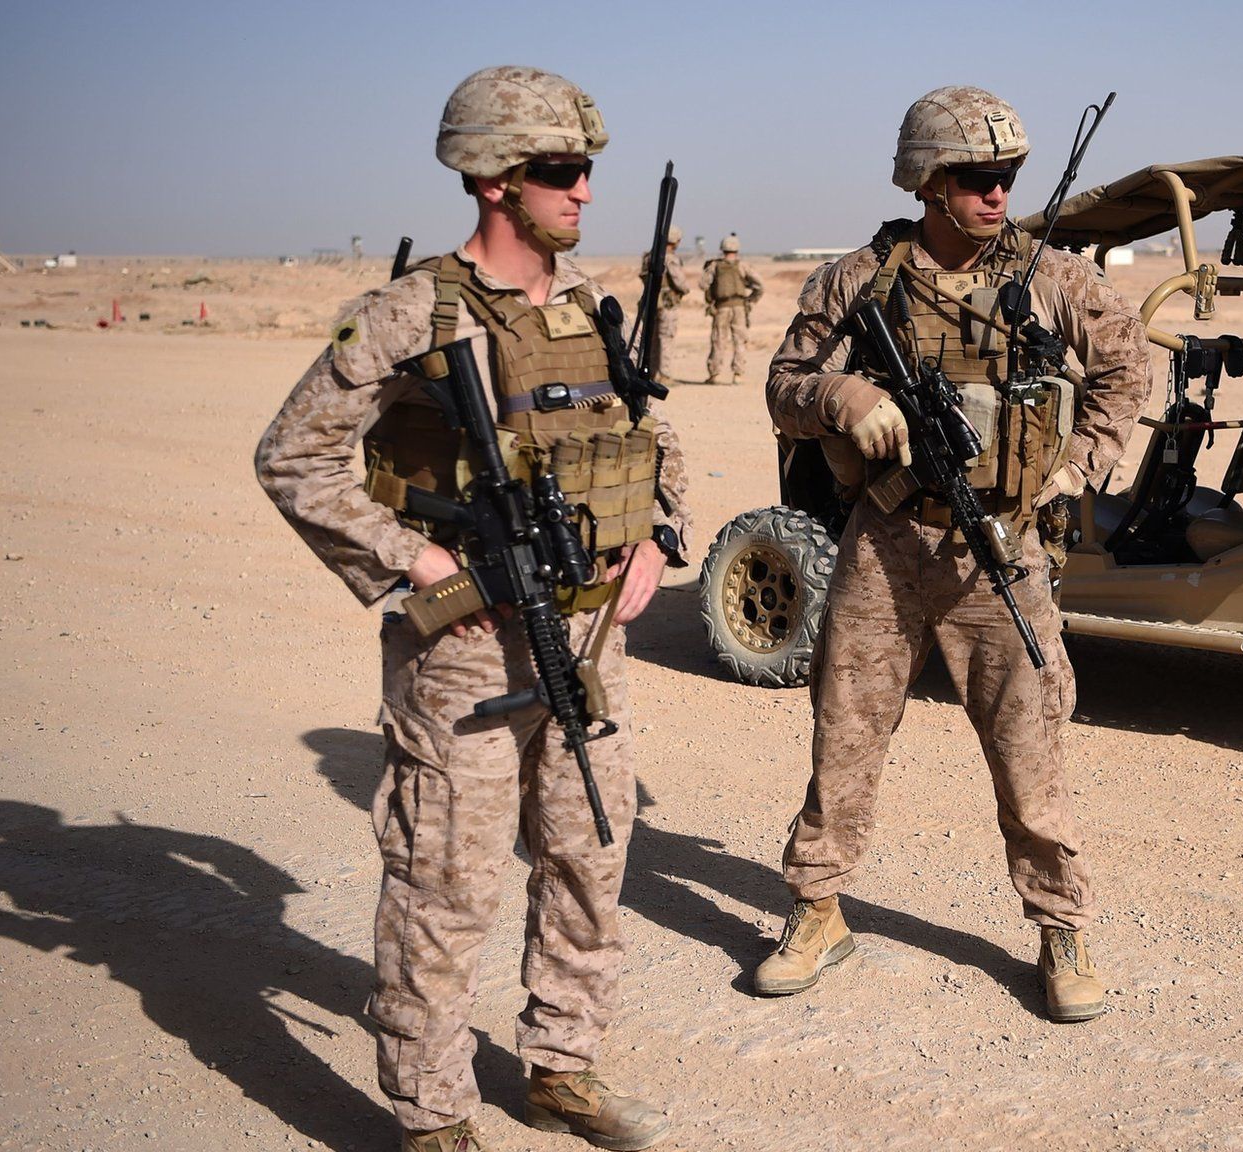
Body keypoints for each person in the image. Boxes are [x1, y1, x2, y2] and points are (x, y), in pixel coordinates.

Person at [255, 65, 689, 1152]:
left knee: (590, 855)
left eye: (588, 169)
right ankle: (433, 1114)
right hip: (466, 649)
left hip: (589, 634)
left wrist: (653, 535)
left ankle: (561, 1067)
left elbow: (652, 440)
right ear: (495, 180)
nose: (585, 190)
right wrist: (418, 565)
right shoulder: (412, 313)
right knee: (444, 887)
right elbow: (294, 458)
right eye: (560, 171)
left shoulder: (591, 305)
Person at [754, 85, 1149, 1022]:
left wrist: (1077, 469)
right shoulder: (861, 278)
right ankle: (816, 909)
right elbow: (784, 383)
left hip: (1001, 547)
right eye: (977, 178)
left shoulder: (1051, 277)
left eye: (1008, 177)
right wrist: (840, 399)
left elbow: (1129, 366)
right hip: (886, 541)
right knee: (843, 730)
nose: (998, 193)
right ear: (929, 184)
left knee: (1030, 745)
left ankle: (1060, 925)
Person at [702, 233, 763, 384]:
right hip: (739, 308)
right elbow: (760, 286)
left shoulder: (714, 266)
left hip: (721, 308)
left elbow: (703, 284)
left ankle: (714, 374)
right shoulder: (743, 266)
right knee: (739, 341)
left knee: (718, 340)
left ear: (722, 248)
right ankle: (738, 374)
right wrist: (751, 300)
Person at [639, 225, 694, 384]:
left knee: (652, 340)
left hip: (650, 303)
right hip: (667, 304)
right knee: (666, 339)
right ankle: (665, 375)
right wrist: (684, 290)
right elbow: (679, 282)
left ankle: (652, 374)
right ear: (675, 241)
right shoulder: (670, 258)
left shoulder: (649, 256)